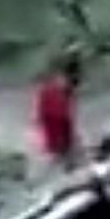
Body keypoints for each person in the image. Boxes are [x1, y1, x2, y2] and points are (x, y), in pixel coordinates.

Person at [30, 51, 85, 181]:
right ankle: (65, 164)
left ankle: (66, 164)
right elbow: (42, 112)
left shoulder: (57, 90)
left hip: (56, 118)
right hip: (54, 118)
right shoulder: (50, 90)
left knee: (62, 145)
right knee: (58, 147)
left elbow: (67, 117)